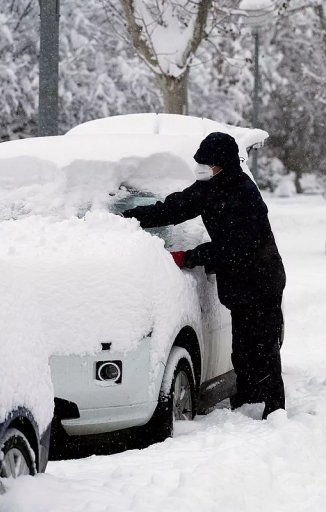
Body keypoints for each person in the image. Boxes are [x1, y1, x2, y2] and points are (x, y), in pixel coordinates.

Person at [121, 132, 287, 420]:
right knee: (242, 349)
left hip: (261, 280)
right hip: (239, 284)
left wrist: (189, 256)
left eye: (207, 163)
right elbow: (176, 208)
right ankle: (247, 402)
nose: (201, 168)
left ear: (222, 164)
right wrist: (131, 218)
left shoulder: (244, 194)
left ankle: (273, 409)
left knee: (263, 348)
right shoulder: (210, 187)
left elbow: (234, 247)